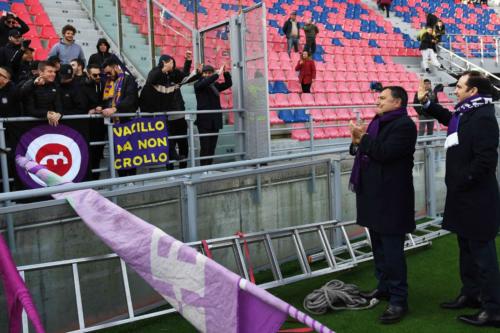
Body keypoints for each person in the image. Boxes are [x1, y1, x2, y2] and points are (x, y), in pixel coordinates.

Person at [417, 72, 500, 328]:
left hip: (476, 197)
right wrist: (428, 104)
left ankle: (493, 309)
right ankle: (471, 294)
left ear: (473, 91)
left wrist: (462, 181)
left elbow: (486, 161)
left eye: (460, 87)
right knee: (466, 249)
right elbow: (450, 118)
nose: (456, 91)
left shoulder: (484, 117)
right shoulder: (466, 112)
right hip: (463, 195)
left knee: (483, 256)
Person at [349, 86, 417, 324]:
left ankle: (399, 300)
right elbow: (363, 152)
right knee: (378, 247)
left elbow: (385, 153)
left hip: (392, 199)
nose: (377, 101)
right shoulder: (377, 122)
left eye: (382, 98)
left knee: (392, 251)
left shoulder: (405, 126)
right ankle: (384, 288)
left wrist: (364, 139)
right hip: (373, 196)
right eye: (378, 98)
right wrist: (357, 141)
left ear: (397, 102)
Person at [140, 51, 198, 170]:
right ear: (164, 63)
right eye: (170, 62)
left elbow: (185, 77)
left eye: (173, 62)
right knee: (168, 144)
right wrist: (163, 69)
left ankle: (184, 169)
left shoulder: (175, 74)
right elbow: (151, 80)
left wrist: (188, 61)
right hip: (165, 115)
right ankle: (170, 171)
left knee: (183, 144)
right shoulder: (157, 74)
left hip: (179, 114)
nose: (173, 64)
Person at [101, 57, 138, 177]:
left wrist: (115, 109)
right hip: (114, 124)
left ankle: (131, 178)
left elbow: (131, 99)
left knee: (130, 151)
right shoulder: (109, 82)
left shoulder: (129, 79)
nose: (107, 75)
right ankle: (121, 178)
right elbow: (107, 101)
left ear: (116, 67)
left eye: (109, 72)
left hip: (127, 122)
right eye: (105, 73)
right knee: (117, 153)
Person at [194, 65, 232, 166]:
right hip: (203, 121)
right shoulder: (198, 84)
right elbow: (205, 82)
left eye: (209, 73)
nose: (207, 75)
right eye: (205, 73)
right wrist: (216, 75)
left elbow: (228, 84)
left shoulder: (215, 85)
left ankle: (209, 167)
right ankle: (203, 168)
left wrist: (225, 73)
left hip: (215, 120)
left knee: (212, 146)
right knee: (205, 146)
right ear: (202, 74)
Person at [81, 63, 106, 180]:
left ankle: (96, 178)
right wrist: (89, 110)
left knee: (97, 152)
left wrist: (101, 106)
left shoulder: (102, 83)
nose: (98, 77)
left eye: (99, 74)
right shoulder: (82, 85)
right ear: (88, 74)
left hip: (100, 125)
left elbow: (104, 99)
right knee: (88, 152)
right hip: (87, 125)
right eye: (95, 75)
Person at [21, 61, 63, 126]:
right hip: (32, 127)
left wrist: (59, 114)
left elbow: (59, 105)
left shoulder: (55, 85)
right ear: (41, 72)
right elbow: (30, 109)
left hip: (52, 126)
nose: (53, 74)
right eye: (50, 71)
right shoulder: (30, 85)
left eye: (54, 72)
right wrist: (47, 113)